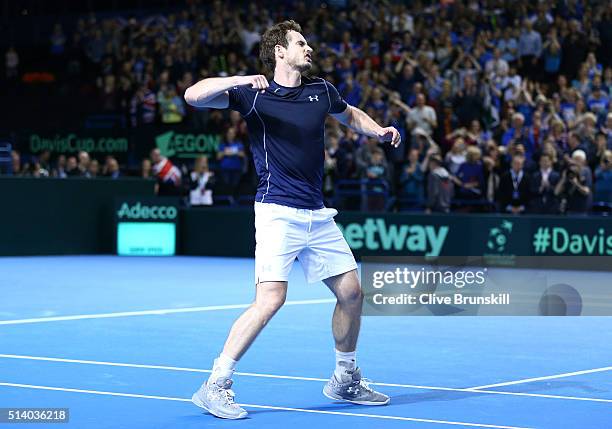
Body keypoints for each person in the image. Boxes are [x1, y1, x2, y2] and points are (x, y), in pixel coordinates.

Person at [184, 20, 399, 420]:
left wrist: (378, 131)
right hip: (277, 210)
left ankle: (344, 379)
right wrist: (240, 79)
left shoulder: (321, 90)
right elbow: (193, 95)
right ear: (280, 51)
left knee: (352, 292)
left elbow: (350, 114)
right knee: (271, 299)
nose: (309, 48)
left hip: (317, 212)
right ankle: (214, 384)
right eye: (301, 43)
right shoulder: (252, 95)